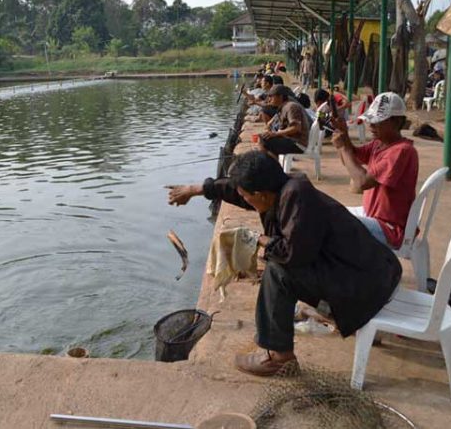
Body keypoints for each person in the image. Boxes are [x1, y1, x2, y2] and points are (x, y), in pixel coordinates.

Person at [166, 151, 401, 376]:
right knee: (276, 259)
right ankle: (329, 312)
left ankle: (279, 357)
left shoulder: (297, 200)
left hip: (368, 286)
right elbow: (236, 191)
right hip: (371, 271)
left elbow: (291, 255)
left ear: (260, 194)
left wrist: (256, 239)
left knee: (278, 273)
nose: (243, 200)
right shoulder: (282, 187)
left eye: (247, 197)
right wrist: (195, 190)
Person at [331, 92, 419, 249]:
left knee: (333, 229)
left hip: (389, 227)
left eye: (377, 121)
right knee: (329, 212)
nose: (371, 125)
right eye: (370, 120)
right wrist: (343, 135)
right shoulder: (379, 144)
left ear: (397, 121)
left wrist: (343, 147)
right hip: (372, 215)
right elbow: (351, 161)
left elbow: (361, 182)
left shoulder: (401, 151)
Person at [260, 85, 310, 157]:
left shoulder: (291, 107)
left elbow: (296, 128)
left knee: (263, 140)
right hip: (290, 139)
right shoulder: (282, 107)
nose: (269, 99)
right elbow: (270, 124)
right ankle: (274, 164)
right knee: (264, 137)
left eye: (271, 96)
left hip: (297, 143)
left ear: (280, 97)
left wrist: (276, 134)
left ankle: (267, 165)